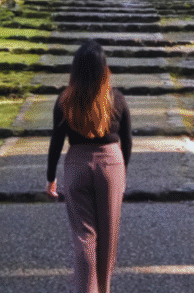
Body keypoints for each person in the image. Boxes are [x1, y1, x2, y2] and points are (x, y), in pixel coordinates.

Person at [46, 40, 132, 293]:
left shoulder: (65, 101)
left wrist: (51, 177)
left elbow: (56, 140)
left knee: (84, 236)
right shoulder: (117, 100)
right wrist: (122, 172)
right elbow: (126, 140)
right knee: (108, 237)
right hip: (111, 164)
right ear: (104, 69)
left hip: (77, 164)